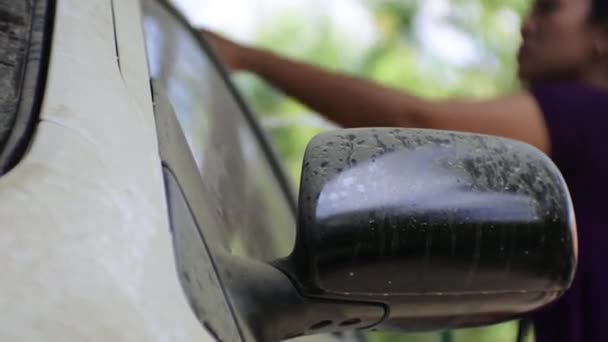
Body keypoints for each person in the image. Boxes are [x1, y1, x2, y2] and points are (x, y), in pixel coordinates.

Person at [201, 0, 608, 340]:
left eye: (549, 9)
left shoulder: (587, 114)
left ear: (603, 37)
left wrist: (248, 58)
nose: (526, 26)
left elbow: (418, 122)